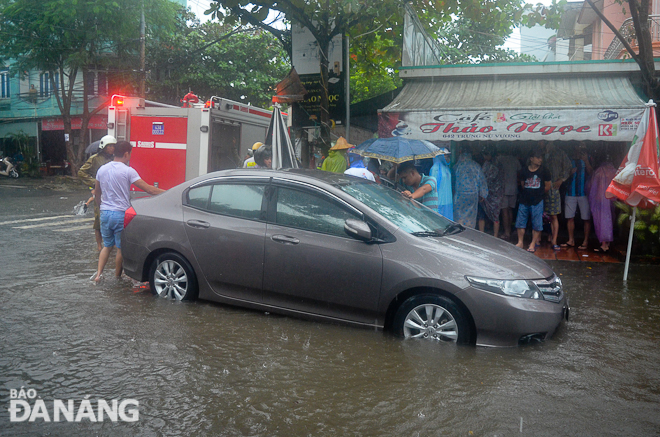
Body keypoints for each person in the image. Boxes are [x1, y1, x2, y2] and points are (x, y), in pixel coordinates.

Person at [91, 141, 165, 283]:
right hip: (120, 214)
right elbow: (149, 189)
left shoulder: (102, 169)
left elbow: (97, 192)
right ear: (126, 154)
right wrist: (170, 193)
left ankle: (98, 275)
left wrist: (101, 208)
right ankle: (117, 277)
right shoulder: (128, 171)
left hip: (105, 213)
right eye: (130, 154)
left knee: (107, 246)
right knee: (120, 248)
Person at [78, 135, 117, 251]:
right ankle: (100, 246)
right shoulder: (95, 159)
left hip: (113, 192)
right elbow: (82, 173)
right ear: (104, 147)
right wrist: (94, 183)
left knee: (113, 218)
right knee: (99, 220)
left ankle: (112, 244)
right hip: (100, 192)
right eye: (109, 146)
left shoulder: (115, 159)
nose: (112, 148)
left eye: (113, 146)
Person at [516, 149, 552, 252]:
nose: (540, 160)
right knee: (520, 221)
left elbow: (547, 186)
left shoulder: (545, 171)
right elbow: (522, 185)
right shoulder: (523, 171)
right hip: (524, 200)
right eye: (538, 157)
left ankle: (532, 243)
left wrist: (538, 194)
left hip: (537, 201)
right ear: (531, 159)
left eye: (541, 158)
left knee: (536, 223)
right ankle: (520, 242)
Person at [562, 143, 593, 250]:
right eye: (577, 146)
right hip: (570, 192)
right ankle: (571, 240)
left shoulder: (589, 157)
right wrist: (569, 173)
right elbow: (563, 175)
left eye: (581, 147)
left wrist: (586, 161)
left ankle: (585, 241)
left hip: (584, 192)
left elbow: (592, 173)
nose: (579, 149)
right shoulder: (569, 159)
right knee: (569, 217)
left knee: (586, 218)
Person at [543, 141, 572, 250]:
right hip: (541, 188)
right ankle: (540, 238)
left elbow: (568, 167)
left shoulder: (560, 153)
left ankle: (554, 239)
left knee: (553, 215)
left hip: (554, 188)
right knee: (540, 215)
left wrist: (561, 180)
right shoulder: (539, 154)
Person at [453, 147, 488, 228]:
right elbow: (482, 180)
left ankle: (460, 231)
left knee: (459, 214)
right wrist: (483, 194)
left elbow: (453, 180)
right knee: (471, 215)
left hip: (460, 194)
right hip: (473, 194)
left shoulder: (457, 166)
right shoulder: (476, 166)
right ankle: (469, 232)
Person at [589, 158, 617, 253]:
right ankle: (607, 243)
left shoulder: (599, 171)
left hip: (600, 198)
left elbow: (592, 185)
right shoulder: (614, 171)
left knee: (602, 221)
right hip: (611, 198)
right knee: (609, 220)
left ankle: (604, 245)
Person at [478, 145, 504, 237]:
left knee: (484, 214)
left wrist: (481, 191)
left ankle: (483, 233)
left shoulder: (491, 165)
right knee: (495, 215)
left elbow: (485, 179)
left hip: (490, 193)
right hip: (496, 193)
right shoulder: (497, 164)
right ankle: (495, 235)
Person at [496, 149, 521, 240]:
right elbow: (519, 170)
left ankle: (506, 232)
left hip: (503, 188)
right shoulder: (515, 159)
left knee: (504, 210)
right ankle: (509, 230)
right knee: (510, 210)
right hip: (514, 188)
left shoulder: (499, 159)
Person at [429, 150, 453, 219]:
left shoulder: (447, 167)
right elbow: (432, 185)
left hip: (448, 200)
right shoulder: (434, 168)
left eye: (448, 155)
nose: (447, 157)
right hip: (439, 201)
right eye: (445, 155)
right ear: (440, 156)